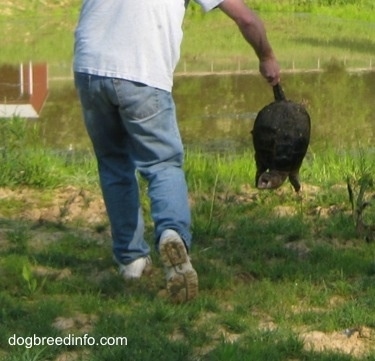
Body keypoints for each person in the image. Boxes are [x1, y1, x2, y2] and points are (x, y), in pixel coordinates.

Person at [73, 0, 280, 304]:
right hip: (140, 71)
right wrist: (267, 56)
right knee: (162, 164)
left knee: (114, 164)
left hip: (89, 67)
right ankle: (172, 234)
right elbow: (246, 18)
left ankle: (131, 262)